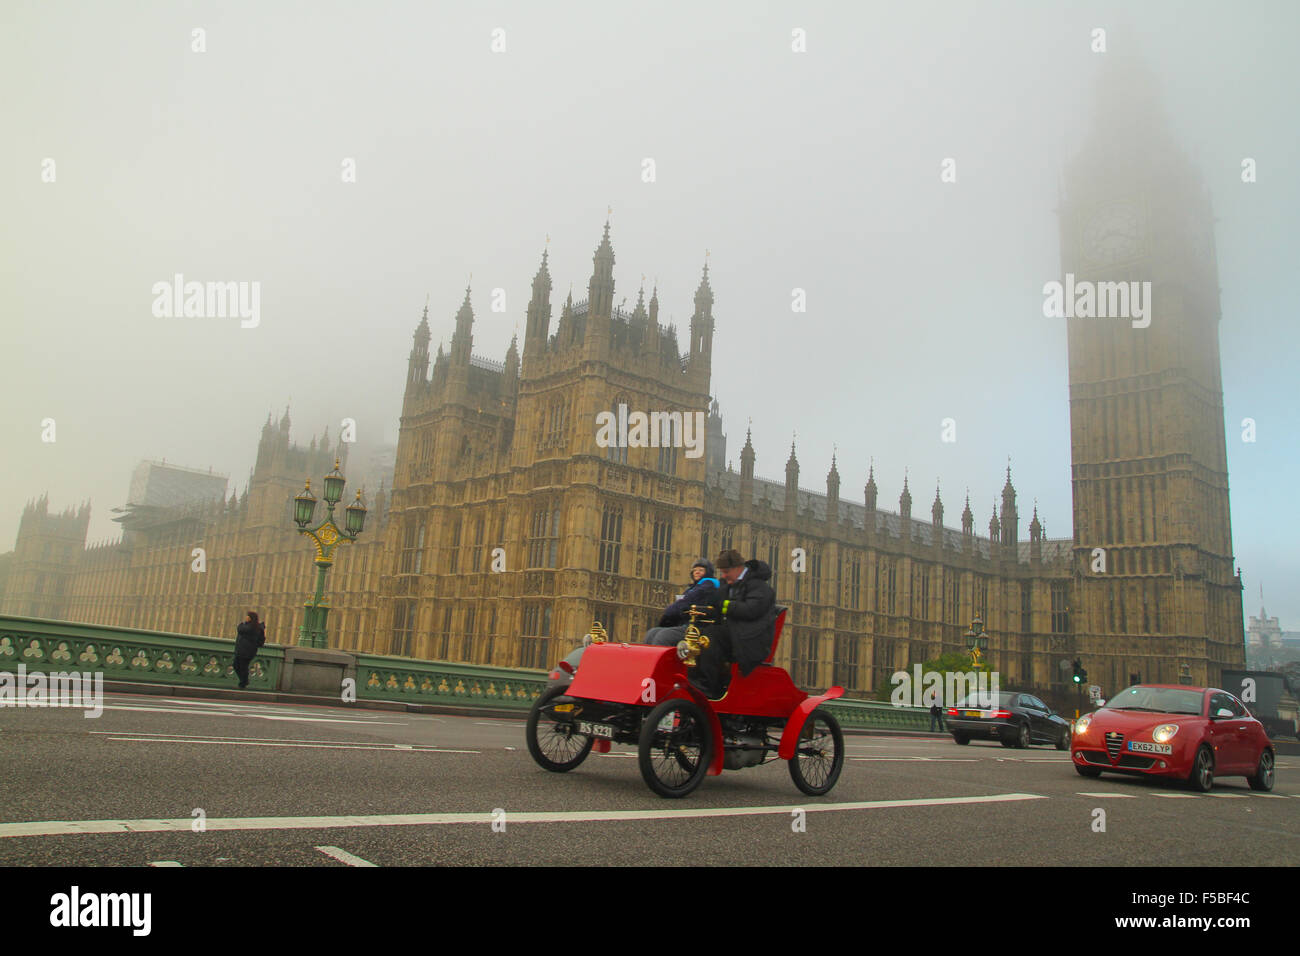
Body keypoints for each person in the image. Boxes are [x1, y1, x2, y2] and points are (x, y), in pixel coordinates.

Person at [691, 549, 777, 699]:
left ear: (738, 568)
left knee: (711, 636)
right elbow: (718, 609)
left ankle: (707, 686)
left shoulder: (760, 587)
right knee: (694, 635)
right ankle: (691, 680)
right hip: (734, 636)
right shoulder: (729, 585)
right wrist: (700, 610)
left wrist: (725, 605)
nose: (723, 576)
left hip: (750, 641)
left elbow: (751, 610)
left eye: (725, 572)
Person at [644, 559, 720, 646]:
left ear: (708, 572)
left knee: (663, 636)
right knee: (651, 633)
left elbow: (685, 603)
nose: (697, 572)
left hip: (698, 627)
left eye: (701, 570)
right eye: (695, 570)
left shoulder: (709, 584)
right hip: (686, 624)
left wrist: (669, 614)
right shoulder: (693, 587)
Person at [233, 611, 266, 689]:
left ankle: (243, 682)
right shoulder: (256, 627)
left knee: (242, 667)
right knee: (236, 665)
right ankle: (244, 681)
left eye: (247, 616)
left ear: (251, 618)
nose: (246, 618)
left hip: (247, 651)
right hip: (243, 650)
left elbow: (240, 629)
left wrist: (241, 624)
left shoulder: (251, 627)